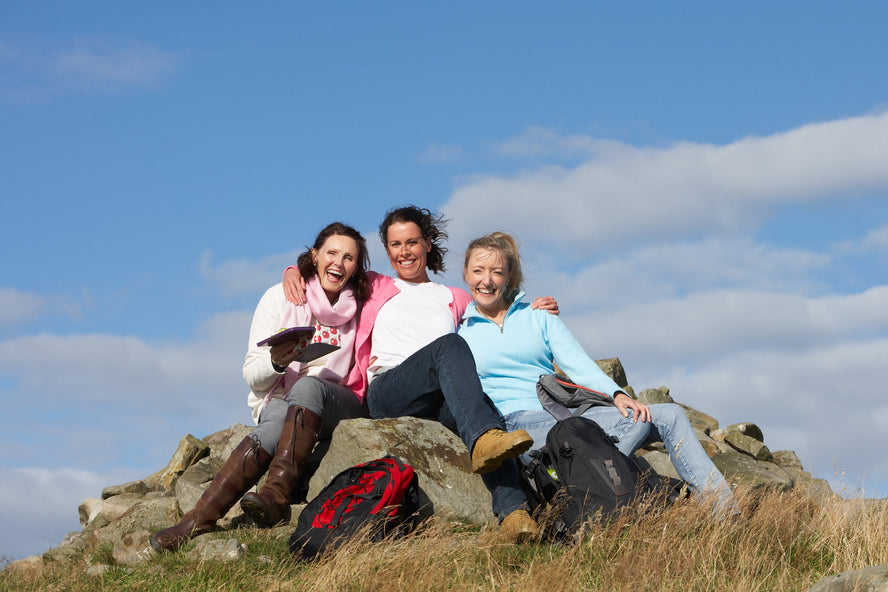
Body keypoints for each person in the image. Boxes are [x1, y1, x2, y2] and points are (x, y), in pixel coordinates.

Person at [283, 206, 557, 541]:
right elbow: (330, 272)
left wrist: (530, 311)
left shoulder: (453, 297)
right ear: (387, 251)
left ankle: (514, 515)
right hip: (389, 391)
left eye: (412, 242)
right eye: (396, 245)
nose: (405, 251)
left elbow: (492, 304)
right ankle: (486, 439)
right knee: (450, 347)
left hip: (438, 396)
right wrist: (295, 270)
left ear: (427, 244)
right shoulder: (375, 285)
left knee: (482, 413)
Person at [457, 232, 740, 517]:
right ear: (466, 275)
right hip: (515, 424)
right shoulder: (459, 330)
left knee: (668, 415)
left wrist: (617, 394)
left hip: (559, 415)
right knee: (623, 428)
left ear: (508, 276)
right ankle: (594, 489)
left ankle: (726, 514)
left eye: (496, 272)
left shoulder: (538, 316)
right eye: (478, 271)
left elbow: (578, 364)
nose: (487, 280)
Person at [150, 222, 372, 552]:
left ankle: (275, 493)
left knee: (309, 386)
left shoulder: (362, 303)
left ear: (356, 267)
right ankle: (198, 520)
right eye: (332, 253)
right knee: (273, 423)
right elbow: (252, 376)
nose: (339, 263)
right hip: (280, 401)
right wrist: (278, 361)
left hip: (336, 402)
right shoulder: (277, 297)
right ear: (315, 255)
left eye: (349, 258)